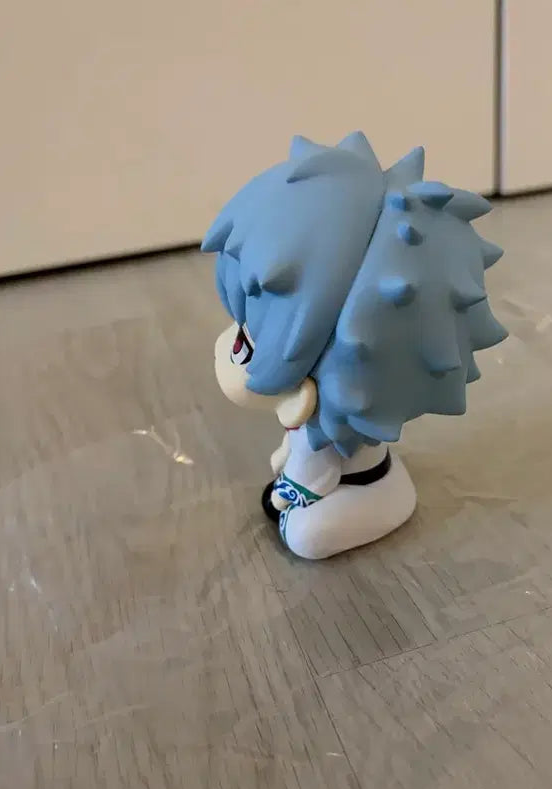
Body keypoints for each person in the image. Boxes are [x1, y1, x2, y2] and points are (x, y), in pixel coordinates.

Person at [203, 131, 507, 559]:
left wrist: (288, 490)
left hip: (365, 490)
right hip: (333, 469)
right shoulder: (316, 423)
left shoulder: (325, 436)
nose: (228, 348)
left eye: (244, 346)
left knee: (304, 535)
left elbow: (316, 474)